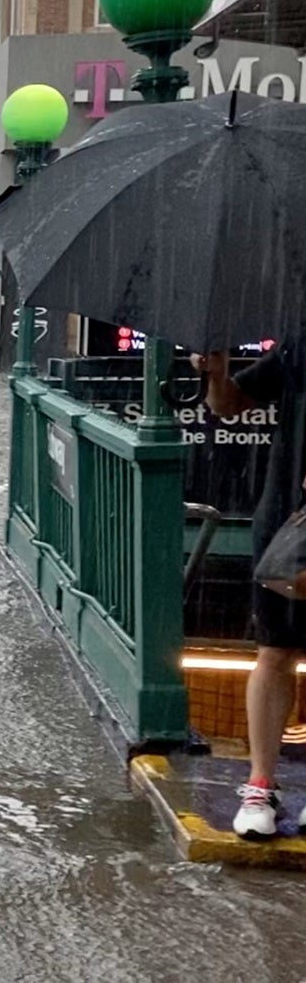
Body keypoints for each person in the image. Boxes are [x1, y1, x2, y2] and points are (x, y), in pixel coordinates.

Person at [194, 345, 306, 838]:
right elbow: (228, 405)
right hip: (288, 520)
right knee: (274, 650)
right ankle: (260, 782)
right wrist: (218, 374)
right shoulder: (300, 341)